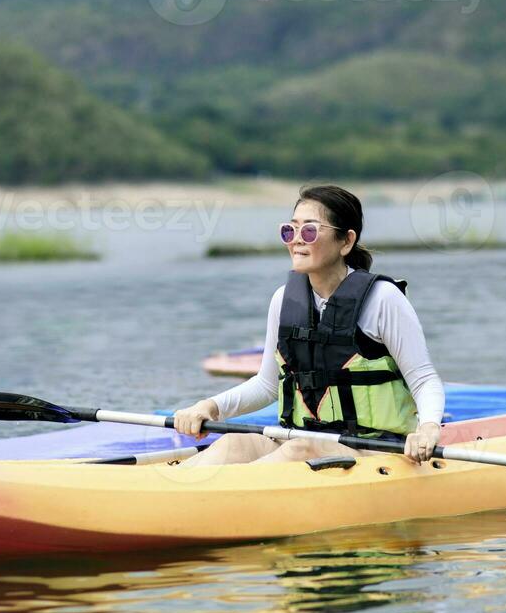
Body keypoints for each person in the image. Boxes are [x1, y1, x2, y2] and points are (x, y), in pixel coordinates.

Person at [174, 184, 444, 465]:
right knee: (234, 443)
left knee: (300, 450)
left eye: (310, 231)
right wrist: (210, 407)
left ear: (346, 242)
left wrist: (427, 428)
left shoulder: (383, 299)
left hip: (374, 447)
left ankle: (222, 500)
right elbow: (267, 386)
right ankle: (179, 493)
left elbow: (424, 379)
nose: (296, 240)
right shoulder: (283, 299)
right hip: (302, 439)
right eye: (290, 231)